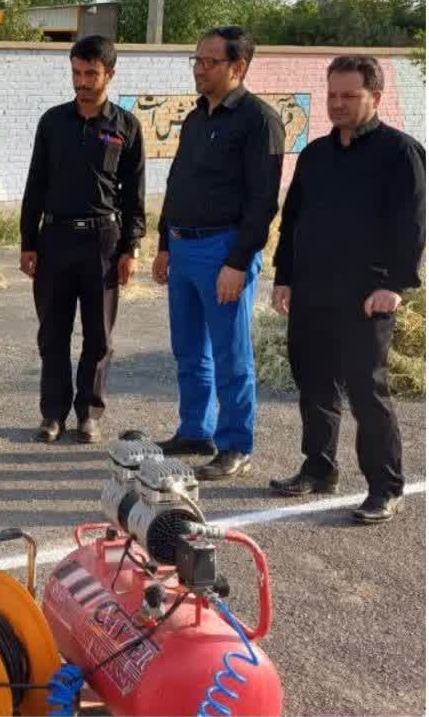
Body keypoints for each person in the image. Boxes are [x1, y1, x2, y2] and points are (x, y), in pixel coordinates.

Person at [267, 56, 425, 524]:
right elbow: (293, 219)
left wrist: (395, 284)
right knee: (313, 381)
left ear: (375, 96)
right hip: (313, 290)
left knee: (365, 389)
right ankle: (319, 468)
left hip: (365, 295)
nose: (337, 103)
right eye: (332, 94)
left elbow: (411, 224)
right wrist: (285, 276)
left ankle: (385, 486)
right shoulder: (316, 154)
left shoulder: (400, 153)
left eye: (349, 96)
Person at [151, 26, 285, 481]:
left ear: (238, 66)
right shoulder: (196, 118)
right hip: (185, 247)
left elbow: (263, 201)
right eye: (197, 60)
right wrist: (165, 244)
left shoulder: (258, 120)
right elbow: (176, 183)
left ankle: (234, 444)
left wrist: (238, 261)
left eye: (209, 62)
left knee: (231, 354)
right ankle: (195, 430)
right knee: (189, 350)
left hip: (223, 250)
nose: (199, 69)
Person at [20, 35, 146, 445]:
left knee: (99, 336)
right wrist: (28, 242)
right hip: (55, 238)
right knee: (52, 332)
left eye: (91, 73)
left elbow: (134, 194)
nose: (82, 81)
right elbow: (35, 184)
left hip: (103, 242)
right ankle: (52, 415)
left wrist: (131, 248)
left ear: (109, 73)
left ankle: (88, 414)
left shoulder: (126, 126)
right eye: (76, 72)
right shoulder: (52, 122)